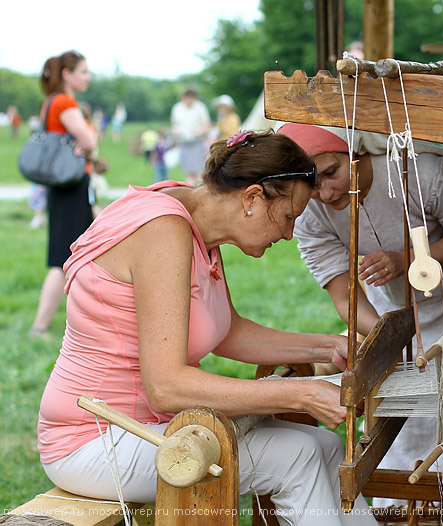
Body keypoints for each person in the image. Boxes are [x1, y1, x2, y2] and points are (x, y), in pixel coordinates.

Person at [37, 130, 377, 526]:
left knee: (321, 444)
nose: (287, 234)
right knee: (297, 456)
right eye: (288, 217)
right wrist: (302, 393)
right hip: (94, 439)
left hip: (148, 427)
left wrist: (325, 347)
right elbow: (166, 387)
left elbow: (225, 330)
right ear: (251, 198)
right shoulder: (164, 231)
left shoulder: (195, 215)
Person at [278, 124, 443, 506]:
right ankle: (398, 506)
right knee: (403, 406)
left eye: (333, 172)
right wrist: (387, 334)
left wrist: (409, 259)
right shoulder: (312, 211)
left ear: (359, 151)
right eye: (313, 183)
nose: (327, 192)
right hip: (397, 309)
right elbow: (345, 295)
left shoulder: (424, 173)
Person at [29, 50, 97, 339]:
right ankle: (40, 326)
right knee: (64, 259)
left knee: (76, 256)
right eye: (83, 71)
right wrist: (88, 141)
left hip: (61, 188)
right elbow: (89, 140)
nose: (88, 77)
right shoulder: (65, 102)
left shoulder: (49, 103)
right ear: (67, 75)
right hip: (71, 187)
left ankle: (82, 323)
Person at [170, 87, 211, 187]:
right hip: (184, 141)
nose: (189, 100)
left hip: (197, 141)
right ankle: (189, 189)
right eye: (187, 98)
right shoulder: (177, 108)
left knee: (199, 171)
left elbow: (207, 124)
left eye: (191, 98)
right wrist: (175, 132)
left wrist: (200, 131)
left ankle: (200, 189)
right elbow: (174, 124)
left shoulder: (200, 107)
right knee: (188, 171)